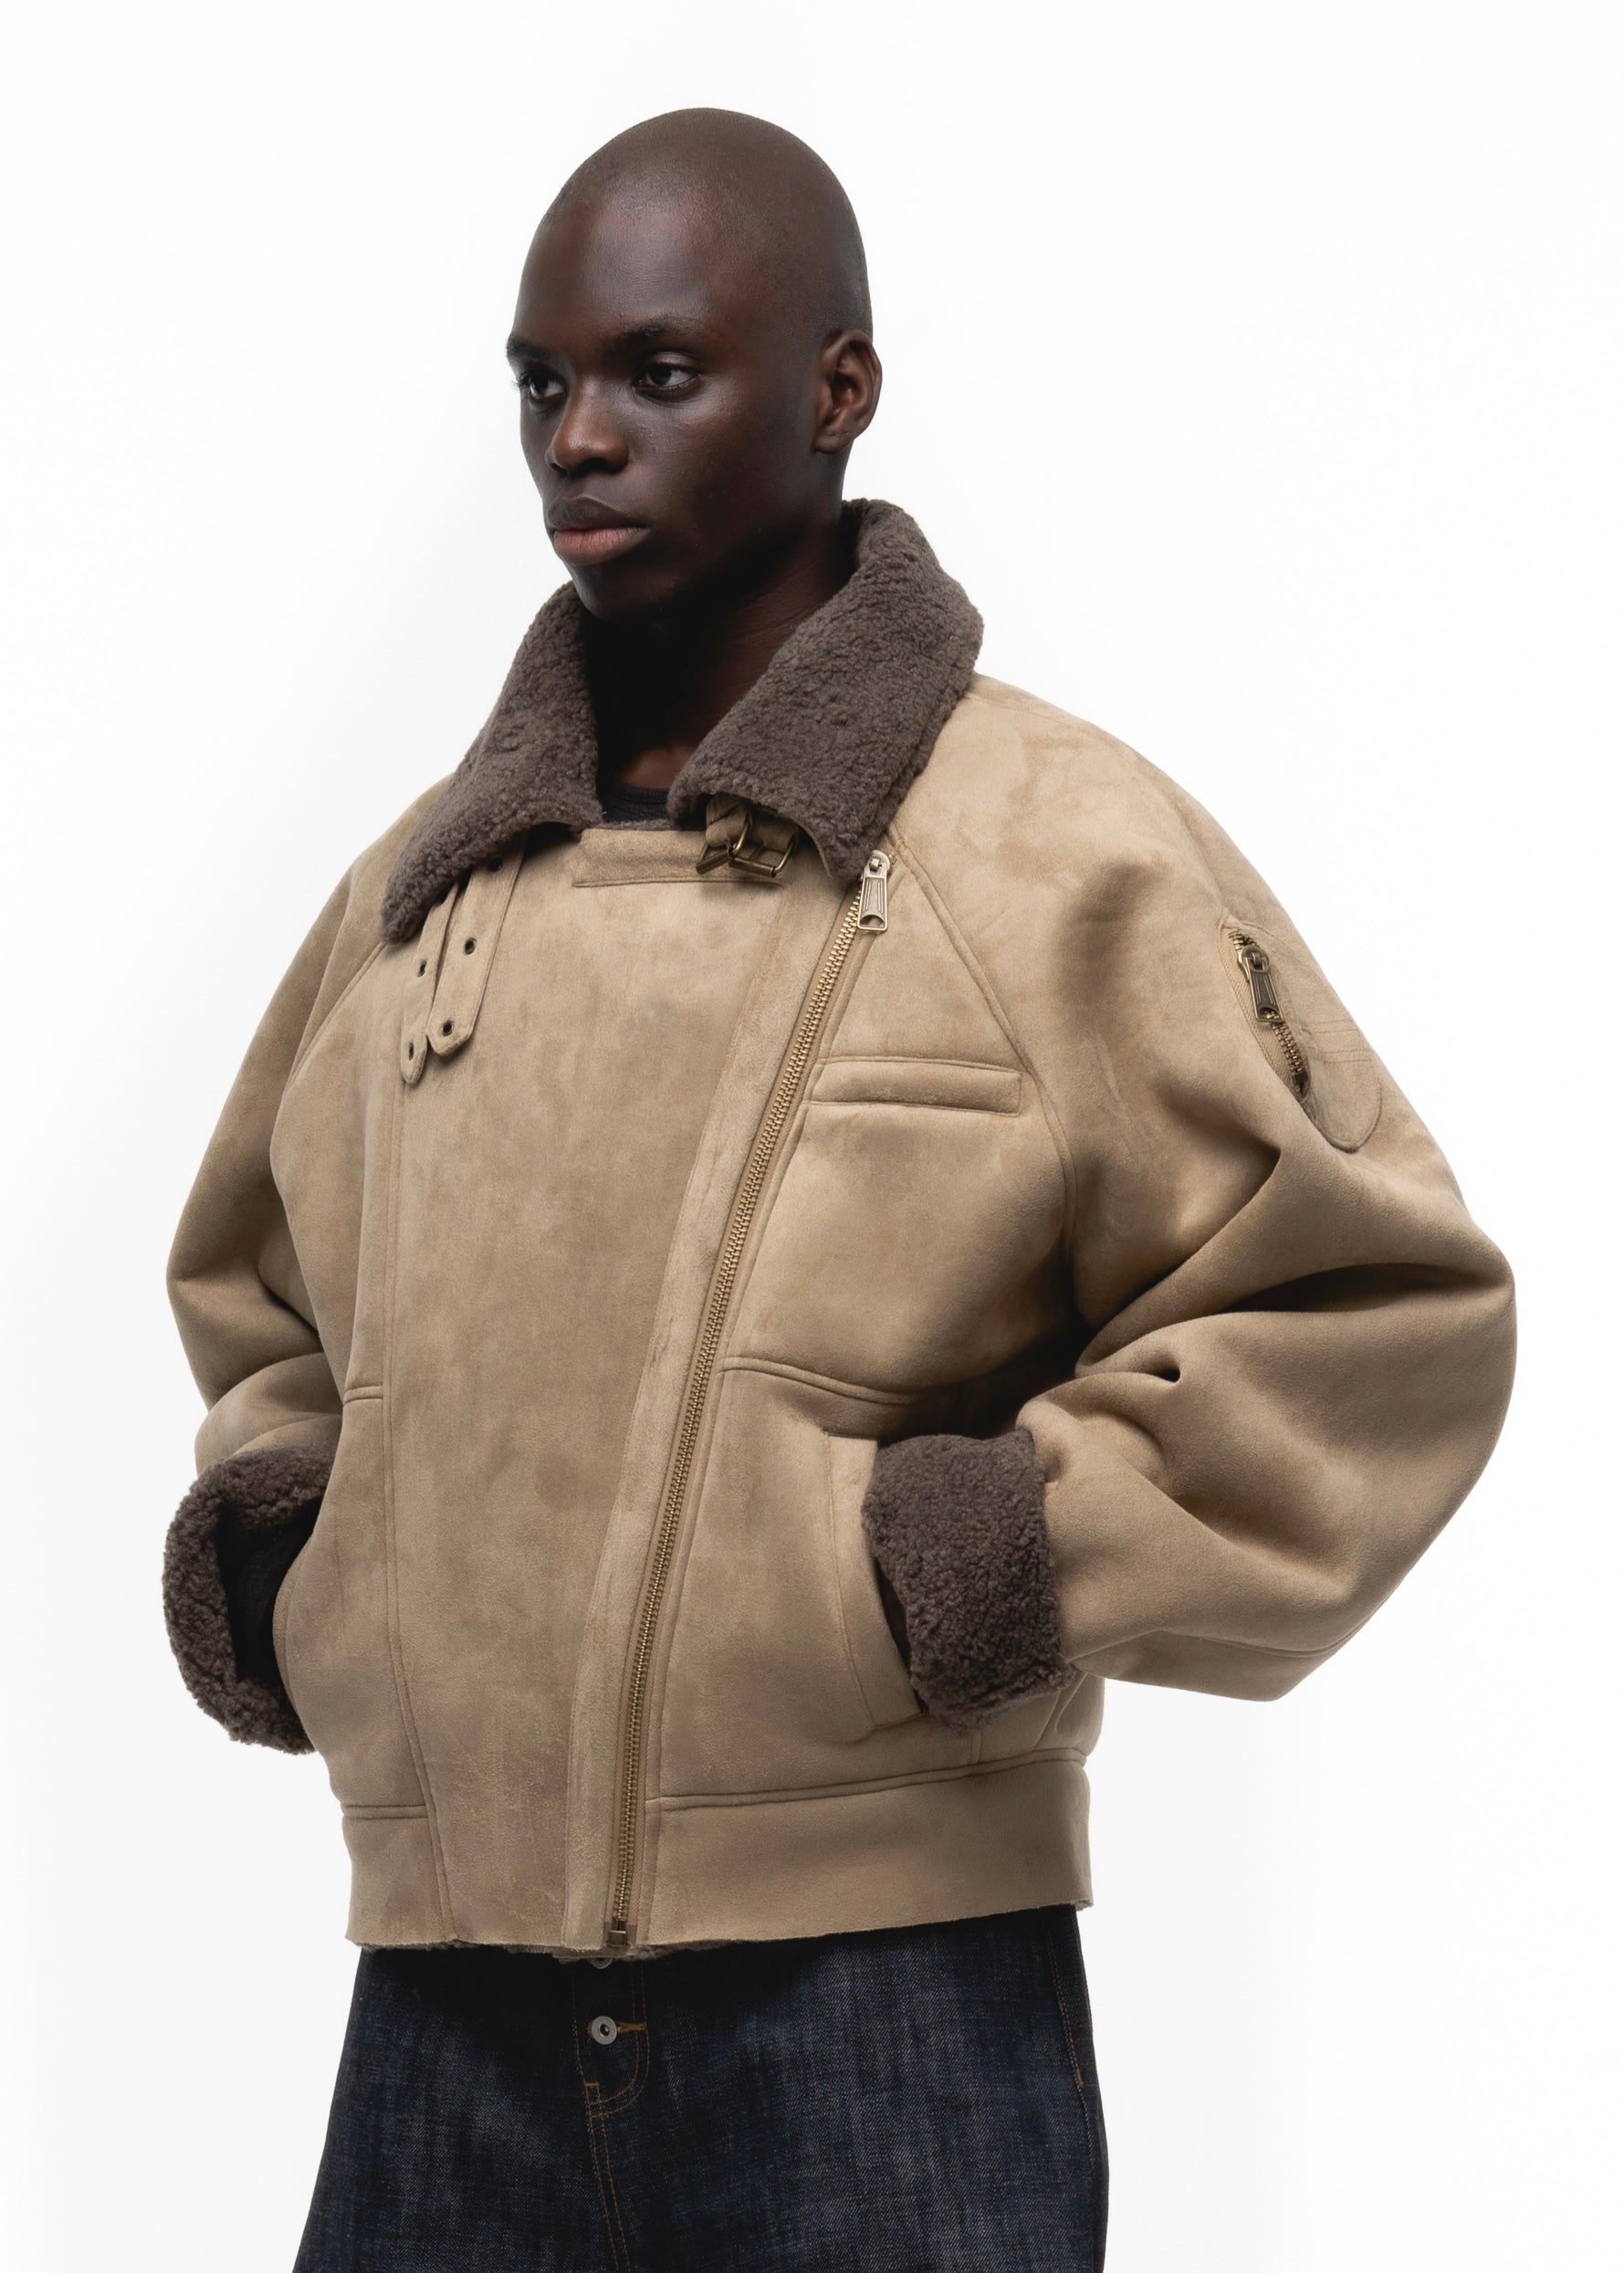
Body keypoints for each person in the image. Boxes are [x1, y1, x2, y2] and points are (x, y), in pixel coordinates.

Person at [162, 108, 1515, 2272]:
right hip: (440, 2003)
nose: (577, 437)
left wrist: (981, 1559)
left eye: (655, 372)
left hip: (880, 2016)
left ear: (836, 389)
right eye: (539, 381)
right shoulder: (424, 891)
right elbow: (260, 1298)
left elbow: (1369, 1310)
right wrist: (299, 1540)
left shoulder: (1042, 849)